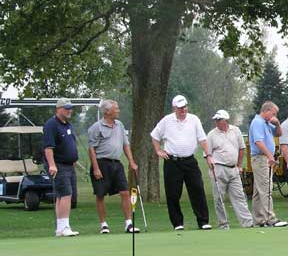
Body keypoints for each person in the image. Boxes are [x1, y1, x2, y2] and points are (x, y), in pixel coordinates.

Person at [150, 95, 214, 230]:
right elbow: (155, 136)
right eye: (180, 108)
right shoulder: (167, 120)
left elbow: (202, 139)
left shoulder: (194, 119)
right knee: (173, 193)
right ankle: (177, 223)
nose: (183, 110)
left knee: (198, 189)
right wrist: (158, 150)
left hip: (190, 161)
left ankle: (203, 221)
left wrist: (208, 155)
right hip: (172, 162)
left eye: (185, 107)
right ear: (175, 108)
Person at [87, 99, 139, 234]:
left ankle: (129, 223)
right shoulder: (96, 127)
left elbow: (125, 145)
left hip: (117, 163)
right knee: (100, 195)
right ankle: (103, 224)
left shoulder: (119, 125)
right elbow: (91, 149)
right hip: (101, 163)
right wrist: (96, 168)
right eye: (116, 109)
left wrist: (131, 161)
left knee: (125, 192)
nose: (118, 111)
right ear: (107, 112)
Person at [206, 109, 253, 229]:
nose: (217, 122)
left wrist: (239, 165)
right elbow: (207, 154)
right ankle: (223, 224)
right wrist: (210, 165)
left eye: (219, 119)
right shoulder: (211, 134)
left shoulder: (235, 130)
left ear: (226, 120)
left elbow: (241, 148)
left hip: (233, 169)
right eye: (216, 120)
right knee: (219, 199)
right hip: (218, 169)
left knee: (239, 196)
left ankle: (247, 223)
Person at [43, 97, 80, 237]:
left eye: (70, 108)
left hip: (69, 165)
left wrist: (74, 159)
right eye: (66, 108)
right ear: (58, 109)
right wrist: (52, 164)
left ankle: (60, 228)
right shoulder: (51, 125)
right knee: (66, 194)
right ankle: (64, 227)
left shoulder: (68, 125)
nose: (69, 111)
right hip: (58, 164)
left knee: (62, 195)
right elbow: (48, 147)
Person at [248, 101, 288, 227]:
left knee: (258, 191)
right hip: (260, 158)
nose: (274, 116)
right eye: (273, 113)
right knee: (266, 189)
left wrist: (277, 124)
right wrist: (270, 156)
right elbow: (258, 142)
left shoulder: (266, 123)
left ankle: (259, 220)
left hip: (263, 158)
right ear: (266, 111)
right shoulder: (257, 122)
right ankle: (271, 218)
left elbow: (279, 133)